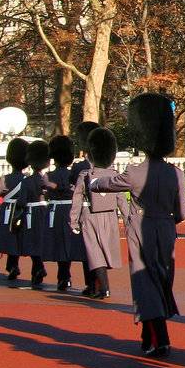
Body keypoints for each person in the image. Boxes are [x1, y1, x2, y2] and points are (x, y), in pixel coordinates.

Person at [90, 94, 185, 357]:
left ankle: (158, 338)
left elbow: (108, 184)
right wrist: (169, 220)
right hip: (167, 228)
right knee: (163, 278)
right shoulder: (175, 173)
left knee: (145, 280)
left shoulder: (134, 171)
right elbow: (184, 211)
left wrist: (93, 182)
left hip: (141, 228)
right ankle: (149, 333)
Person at [70, 128, 126, 300]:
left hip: (90, 215)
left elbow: (77, 198)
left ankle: (104, 288)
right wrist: (129, 218)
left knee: (94, 251)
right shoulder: (115, 175)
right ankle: (96, 286)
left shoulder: (85, 175)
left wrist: (73, 221)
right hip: (110, 215)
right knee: (103, 250)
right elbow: (121, 199)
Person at [45, 136, 84, 292]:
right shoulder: (73, 174)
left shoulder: (49, 176)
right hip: (72, 210)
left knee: (60, 243)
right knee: (73, 242)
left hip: (56, 212)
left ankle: (63, 277)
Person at [0, 138, 32, 281]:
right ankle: (15, 265)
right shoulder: (27, 179)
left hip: (8, 209)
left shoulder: (5, 178)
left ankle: (12, 265)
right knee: (19, 236)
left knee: (9, 237)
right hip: (22, 210)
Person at [22, 140, 53, 289]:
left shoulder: (27, 181)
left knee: (32, 241)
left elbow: (22, 200)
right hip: (45, 211)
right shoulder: (49, 179)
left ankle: (37, 268)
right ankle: (38, 268)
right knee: (40, 240)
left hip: (30, 212)